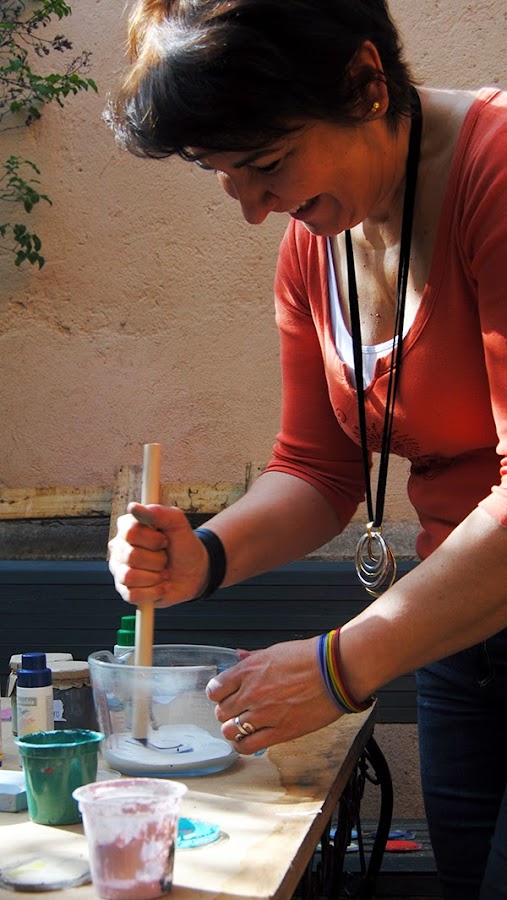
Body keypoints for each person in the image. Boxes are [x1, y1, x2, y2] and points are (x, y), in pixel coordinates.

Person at [105, 1, 507, 897]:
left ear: (365, 84)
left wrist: (338, 665)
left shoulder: (498, 172)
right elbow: (318, 469)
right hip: (462, 635)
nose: (256, 211)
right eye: (222, 175)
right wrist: (202, 556)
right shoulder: (316, 241)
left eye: (266, 165)